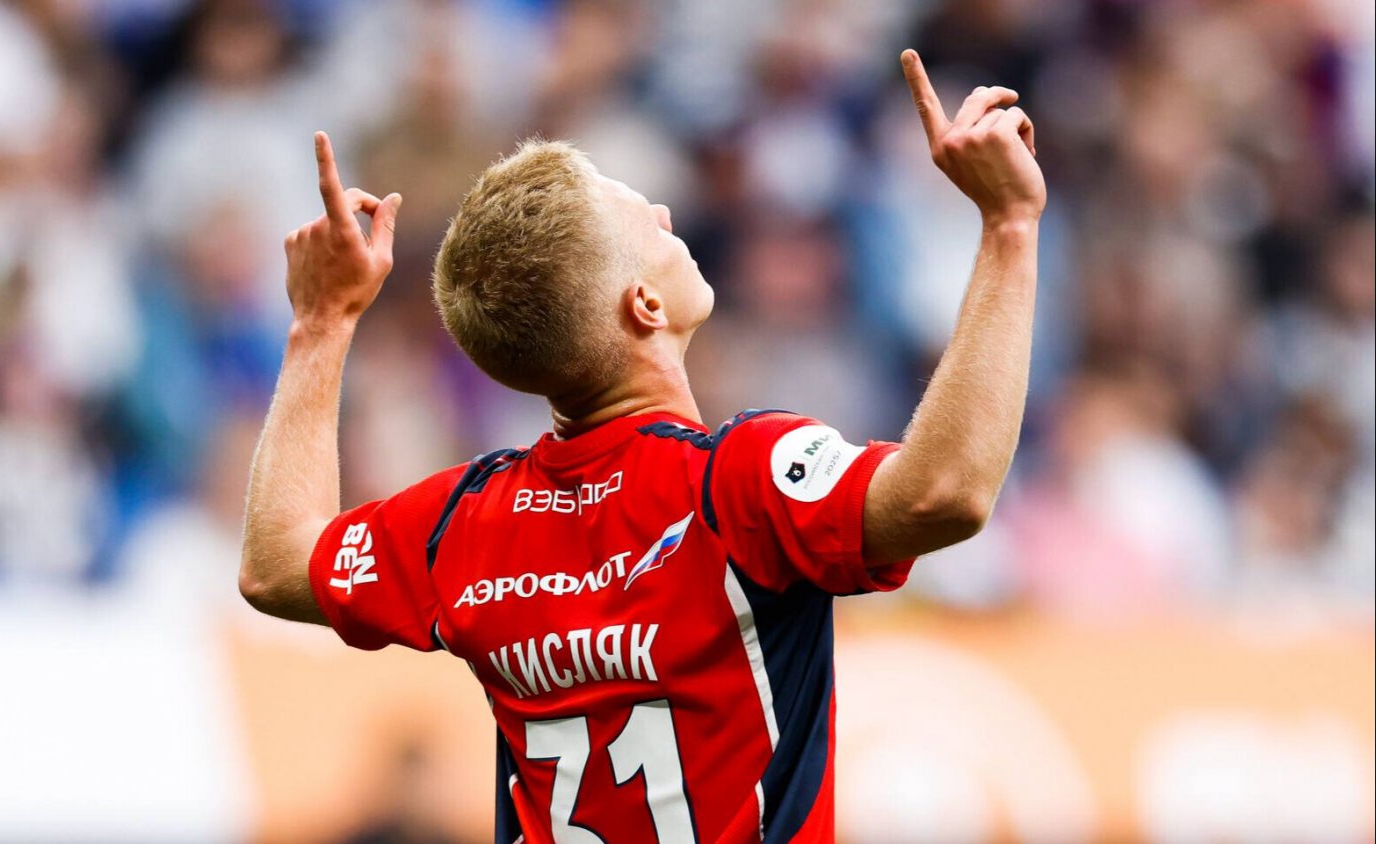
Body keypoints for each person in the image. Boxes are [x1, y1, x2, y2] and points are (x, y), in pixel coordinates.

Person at [239, 50, 1044, 843]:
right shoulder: (740, 483)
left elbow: (276, 566)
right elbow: (944, 493)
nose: (664, 214)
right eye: (642, 218)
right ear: (646, 304)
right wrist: (1008, 225)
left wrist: (322, 323)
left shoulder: (462, 527)